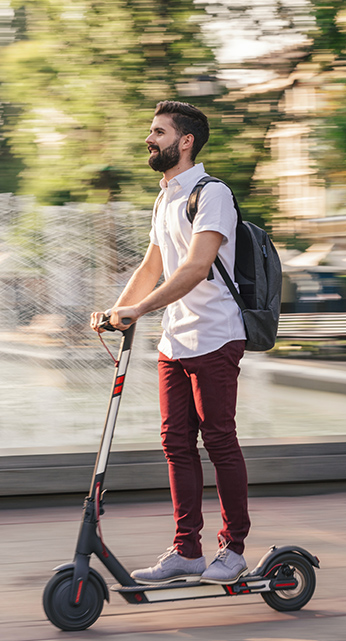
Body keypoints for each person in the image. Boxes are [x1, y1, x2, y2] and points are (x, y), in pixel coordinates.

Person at [90, 100, 250, 586]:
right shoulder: (165, 198)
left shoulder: (212, 193)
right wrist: (116, 310)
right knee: (175, 443)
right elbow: (151, 267)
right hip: (175, 341)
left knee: (219, 440)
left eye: (158, 131)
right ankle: (187, 550)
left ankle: (234, 548)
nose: (149, 138)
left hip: (216, 335)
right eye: (150, 130)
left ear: (185, 142)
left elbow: (196, 267)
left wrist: (141, 310)